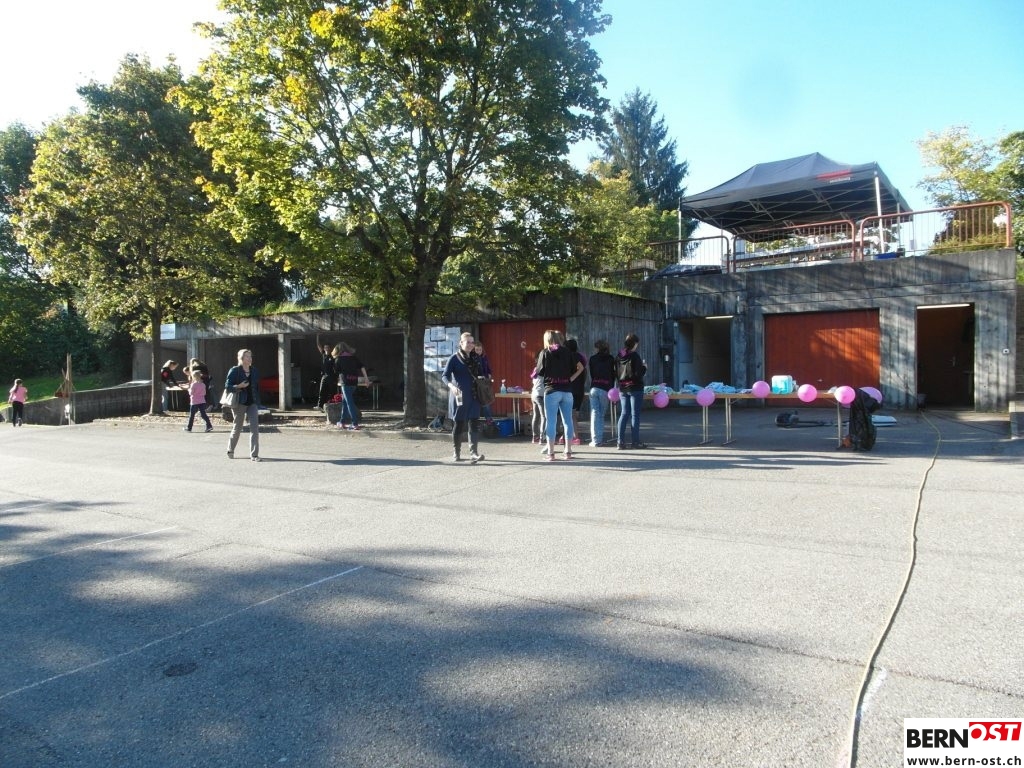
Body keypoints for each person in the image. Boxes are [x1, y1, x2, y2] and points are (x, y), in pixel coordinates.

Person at [534, 330, 583, 461]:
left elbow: (539, 372)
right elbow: (578, 367)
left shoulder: (545, 352)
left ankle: (551, 453)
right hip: (567, 390)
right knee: (568, 421)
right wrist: (570, 379)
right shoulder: (567, 352)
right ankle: (568, 451)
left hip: (552, 390)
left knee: (551, 421)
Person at [440, 331, 486, 463]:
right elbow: (444, 376)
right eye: (468, 342)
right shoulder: (454, 358)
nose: (471, 344)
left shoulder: (476, 358)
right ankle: (457, 452)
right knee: (459, 423)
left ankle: (474, 453)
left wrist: (484, 381)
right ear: (461, 343)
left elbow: (481, 374)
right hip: (459, 395)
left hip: (474, 395)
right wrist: (451, 386)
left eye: (472, 342)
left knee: (474, 423)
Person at [224, 348, 262, 461]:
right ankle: (230, 450)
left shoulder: (254, 370)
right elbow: (227, 386)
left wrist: (258, 401)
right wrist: (239, 386)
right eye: (247, 356)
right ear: (241, 358)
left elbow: (256, 386)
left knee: (255, 429)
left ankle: (254, 455)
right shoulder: (235, 370)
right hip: (239, 402)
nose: (250, 358)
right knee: (238, 427)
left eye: (250, 356)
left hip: (252, 403)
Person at [615, 333, 648, 450]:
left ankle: (620, 442)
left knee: (624, 414)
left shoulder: (619, 355)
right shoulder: (635, 356)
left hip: (623, 387)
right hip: (635, 388)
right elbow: (638, 374)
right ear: (635, 344)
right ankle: (635, 442)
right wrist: (644, 367)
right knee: (635, 415)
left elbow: (615, 372)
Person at [333, 342, 368, 430]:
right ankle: (342, 422)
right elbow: (362, 367)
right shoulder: (353, 357)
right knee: (345, 402)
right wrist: (366, 379)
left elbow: (336, 371)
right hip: (354, 382)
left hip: (345, 383)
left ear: (337, 350)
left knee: (349, 403)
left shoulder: (338, 359)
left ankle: (355, 423)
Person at [588, 340, 616, 446]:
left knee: (594, 413)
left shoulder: (592, 359)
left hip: (594, 387)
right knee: (601, 415)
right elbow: (613, 375)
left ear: (597, 348)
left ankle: (595, 439)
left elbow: (592, 374)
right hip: (605, 388)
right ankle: (598, 439)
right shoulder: (611, 359)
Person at [563, 338, 587, 445]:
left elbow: (579, 369)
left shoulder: (571, 356)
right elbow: (583, 371)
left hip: (571, 389)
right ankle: (566, 436)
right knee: (573, 415)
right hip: (579, 390)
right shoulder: (580, 357)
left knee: (571, 415)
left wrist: (571, 378)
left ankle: (575, 437)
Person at [474, 342, 494, 423]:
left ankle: (489, 420)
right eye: (477, 350)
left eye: (480, 350)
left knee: (486, 401)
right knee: (478, 402)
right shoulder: (473, 358)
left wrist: (489, 374)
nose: (479, 351)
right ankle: (475, 421)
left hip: (485, 382)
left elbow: (488, 367)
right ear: (474, 350)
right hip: (476, 382)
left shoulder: (484, 357)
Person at [315, 335, 335, 410]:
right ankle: (320, 406)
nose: (326, 348)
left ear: (330, 348)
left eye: (328, 347)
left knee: (332, 391)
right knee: (322, 391)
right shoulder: (323, 354)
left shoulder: (332, 356)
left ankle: (333, 405)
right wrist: (317, 336)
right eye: (325, 347)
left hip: (331, 376)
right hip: (324, 376)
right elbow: (318, 345)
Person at [529, 357, 546, 445]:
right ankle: (542, 438)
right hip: (540, 395)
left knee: (536, 416)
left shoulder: (536, 369)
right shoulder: (545, 369)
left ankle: (534, 437)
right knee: (544, 416)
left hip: (534, 394)